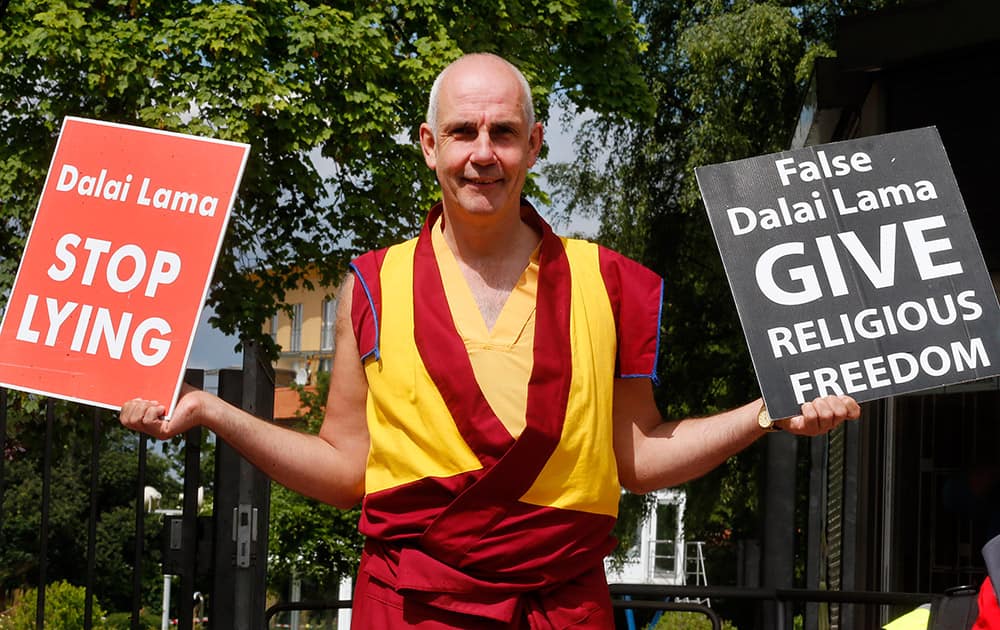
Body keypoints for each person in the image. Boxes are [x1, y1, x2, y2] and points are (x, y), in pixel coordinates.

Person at [120, 53, 860, 628]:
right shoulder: (371, 286)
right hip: (412, 609)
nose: (484, 153)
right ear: (428, 145)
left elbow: (636, 458)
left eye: (503, 133)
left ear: (534, 145)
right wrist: (215, 413)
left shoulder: (610, 284)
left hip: (560, 606)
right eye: (463, 132)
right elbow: (348, 470)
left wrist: (767, 412)